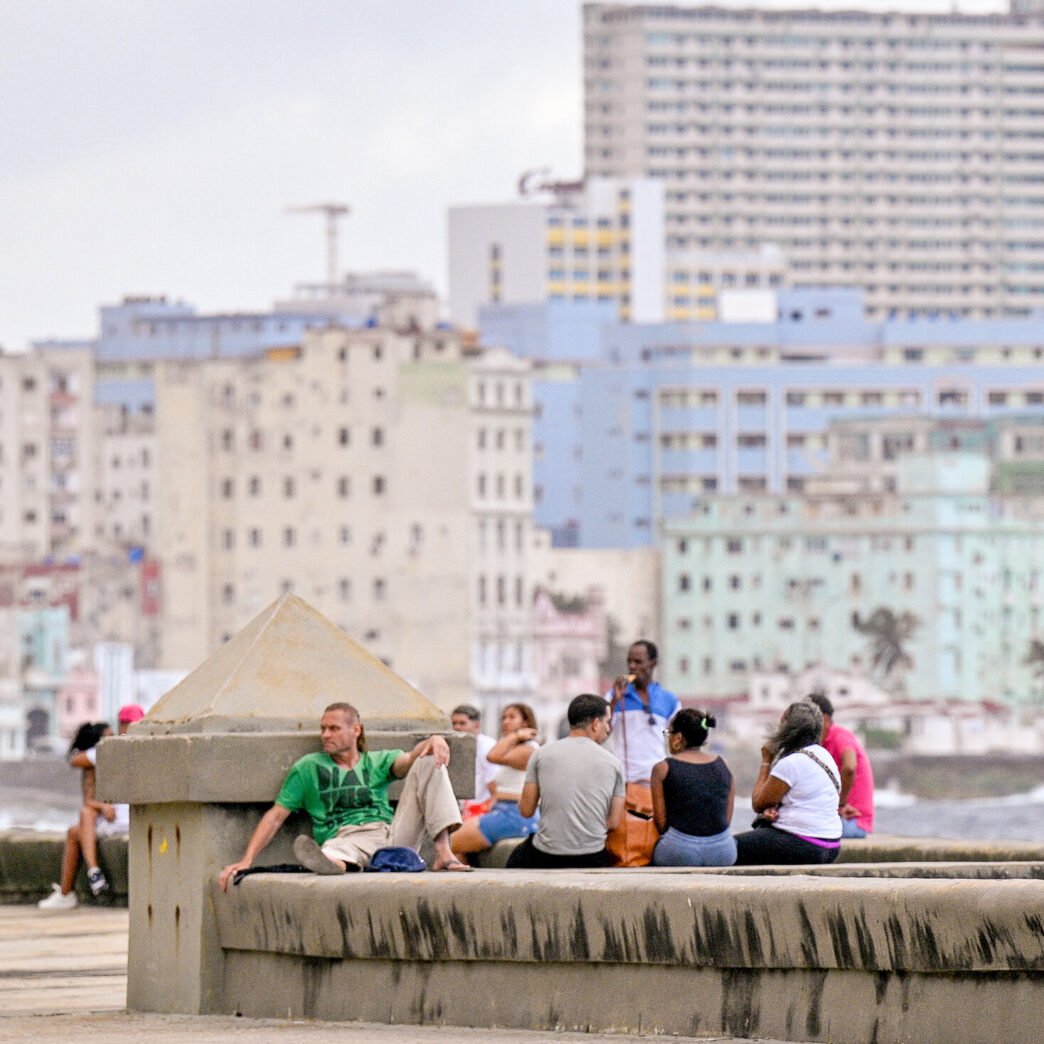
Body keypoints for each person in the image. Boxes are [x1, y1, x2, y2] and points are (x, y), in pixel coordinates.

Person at [218, 702, 470, 888]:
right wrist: (246, 860)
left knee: (428, 761)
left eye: (334, 729)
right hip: (344, 837)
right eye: (323, 729)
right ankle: (331, 863)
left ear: (356, 730)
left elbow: (411, 758)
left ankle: (444, 854)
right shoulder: (308, 767)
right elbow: (275, 816)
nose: (325, 735)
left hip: (389, 836)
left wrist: (434, 740)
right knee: (334, 852)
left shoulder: (376, 761)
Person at [38, 705, 145, 910]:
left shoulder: (113, 749)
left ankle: (81, 881)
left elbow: (75, 760)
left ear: (123, 723)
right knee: (76, 828)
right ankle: (73, 887)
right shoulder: (142, 746)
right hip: (131, 816)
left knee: (82, 819)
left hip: (122, 819)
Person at [505, 694, 624, 869]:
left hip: (546, 854)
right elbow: (614, 822)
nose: (608, 728)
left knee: (514, 862)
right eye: (607, 722)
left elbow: (526, 811)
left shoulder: (541, 754)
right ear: (595, 724)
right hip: (592, 857)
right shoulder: (614, 763)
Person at [733, 701, 843, 866]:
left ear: (788, 729)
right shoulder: (825, 756)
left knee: (729, 849)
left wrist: (766, 762)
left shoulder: (792, 763)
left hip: (803, 843)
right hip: (831, 844)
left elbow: (757, 803)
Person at [450, 703, 540, 862]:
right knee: (454, 846)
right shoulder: (513, 748)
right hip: (502, 810)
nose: (506, 721)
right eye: (504, 717)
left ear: (526, 723)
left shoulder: (529, 749)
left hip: (515, 814)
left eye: (512, 717)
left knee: (451, 842)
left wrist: (514, 735)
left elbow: (493, 756)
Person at [650, 708, 736, 867]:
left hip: (679, 851)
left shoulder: (662, 768)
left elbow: (661, 823)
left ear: (679, 737)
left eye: (669, 734)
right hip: (723, 851)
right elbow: (726, 819)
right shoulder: (724, 765)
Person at [606, 640, 681, 784]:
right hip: (624, 779)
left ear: (653, 663)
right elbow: (603, 732)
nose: (632, 666)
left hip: (657, 779)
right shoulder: (613, 696)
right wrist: (615, 701)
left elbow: (676, 738)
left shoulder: (670, 700)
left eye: (638, 662)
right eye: (629, 662)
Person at [808, 692, 875, 839]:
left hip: (853, 821)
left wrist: (841, 804)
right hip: (839, 820)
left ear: (824, 719)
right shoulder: (820, 744)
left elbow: (850, 767)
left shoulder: (840, 736)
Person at [450, 703, 498, 818]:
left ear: (476, 725)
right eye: (454, 723)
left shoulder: (487, 747)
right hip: (460, 809)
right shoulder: (453, 746)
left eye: (462, 723)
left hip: (481, 810)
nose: (457, 727)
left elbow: (495, 790)